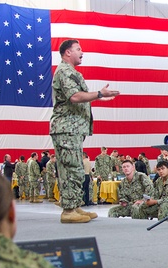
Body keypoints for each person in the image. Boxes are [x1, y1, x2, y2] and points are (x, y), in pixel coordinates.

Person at [50, 39, 119, 224]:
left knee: (74, 168)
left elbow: (79, 98)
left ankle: (74, 205)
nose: (82, 52)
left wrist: (96, 98)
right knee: (71, 168)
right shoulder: (65, 71)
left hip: (72, 130)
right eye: (78, 49)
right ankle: (69, 210)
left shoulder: (71, 72)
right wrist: (98, 94)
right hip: (66, 129)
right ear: (67, 53)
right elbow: (74, 96)